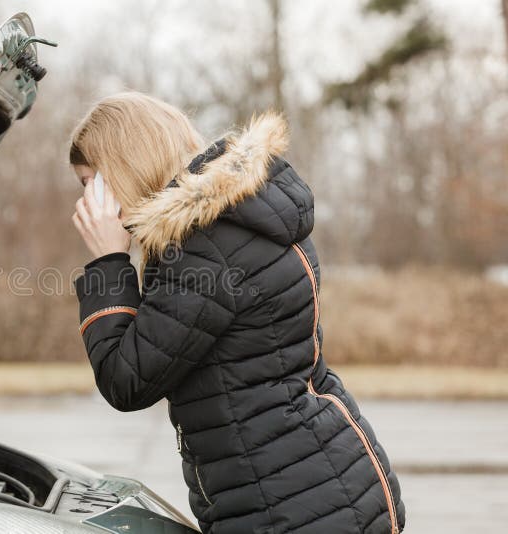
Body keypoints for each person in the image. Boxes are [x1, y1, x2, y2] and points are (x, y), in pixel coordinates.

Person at [69, 92, 406, 534]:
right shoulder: (238, 218)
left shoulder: (202, 246)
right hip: (326, 484)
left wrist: (108, 263)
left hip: (293, 507)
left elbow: (126, 379)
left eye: (90, 183)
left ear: (124, 167)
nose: (88, 203)